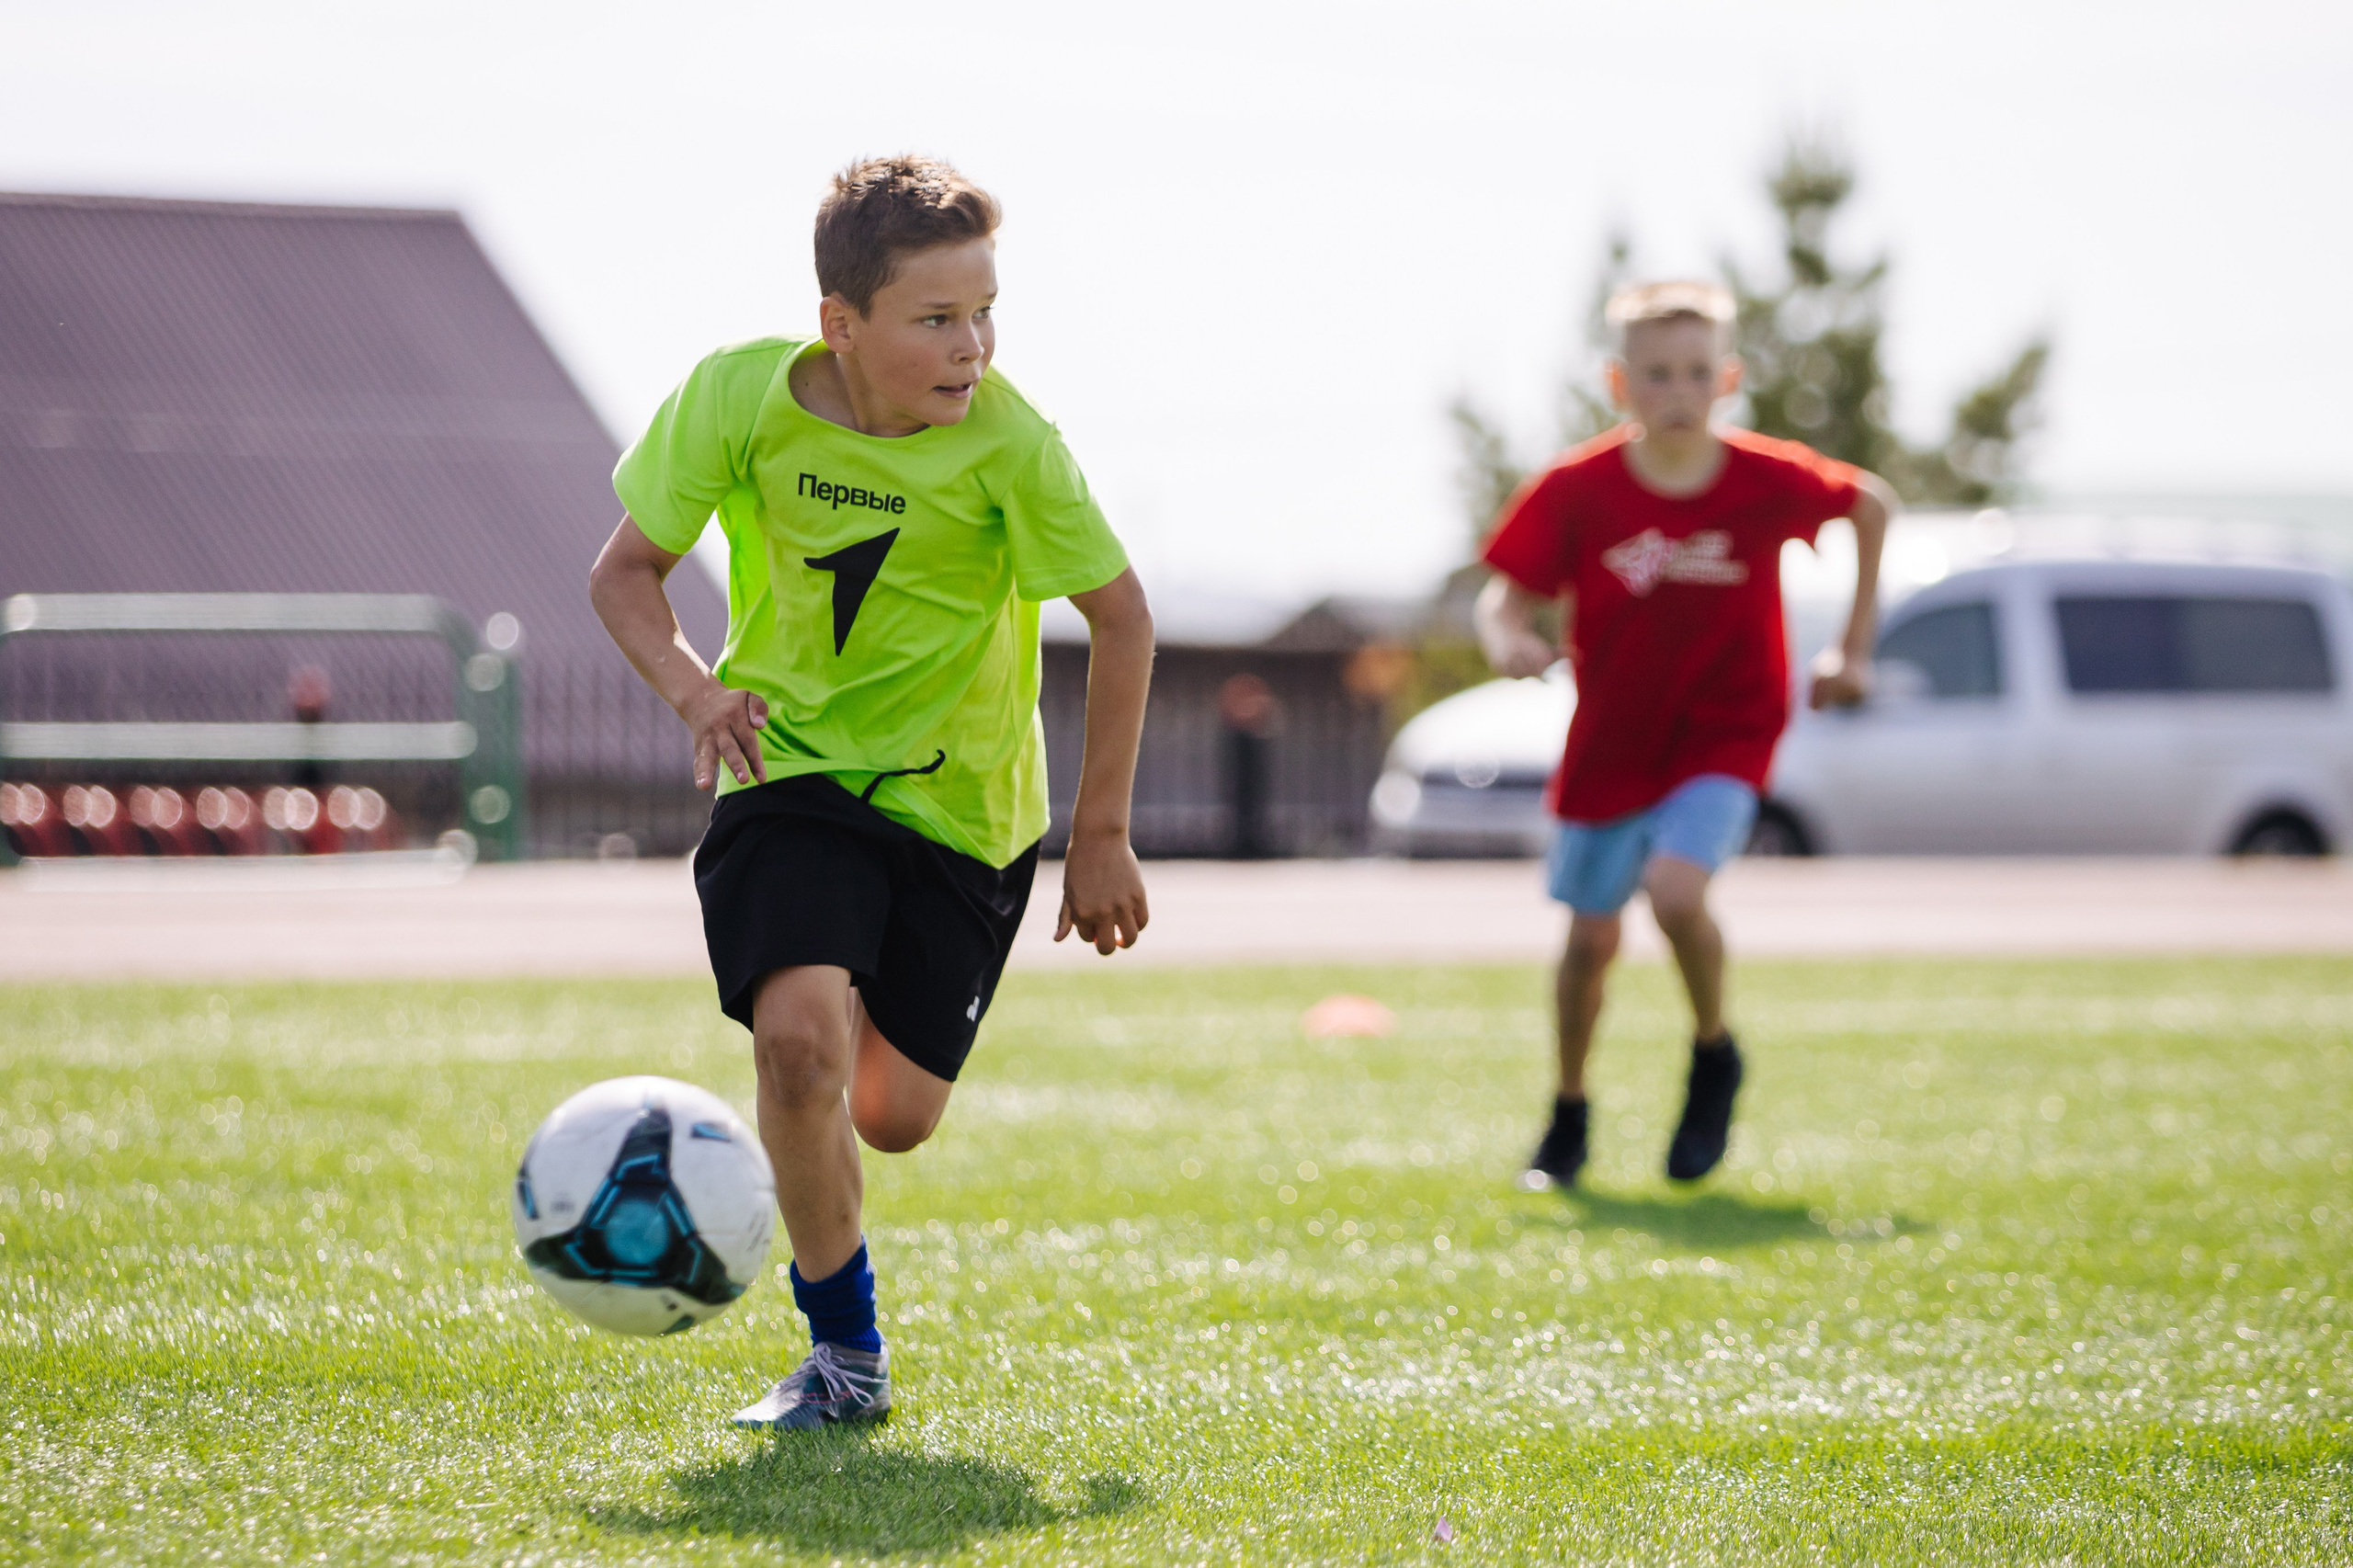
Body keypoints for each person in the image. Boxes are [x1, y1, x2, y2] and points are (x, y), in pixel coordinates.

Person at [589, 155, 1154, 1429]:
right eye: (936, 318)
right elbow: (625, 572)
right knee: (798, 1045)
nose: (973, 347)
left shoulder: (1015, 444)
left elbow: (1121, 618)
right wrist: (696, 693)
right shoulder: (737, 395)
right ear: (840, 323)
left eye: (985, 313)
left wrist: (1102, 832)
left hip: (964, 812)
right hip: (789, 771)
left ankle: (822, 1080)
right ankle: (845, 1355)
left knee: (892, 1115)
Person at [1473, 279, 1892, 1188]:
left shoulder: (1763, 478)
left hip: (1725, 733)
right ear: (1619, 382)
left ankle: (1713, 1052)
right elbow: (1503, 596)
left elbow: (1872, 505)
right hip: (1613, 739)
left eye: (1697, 371)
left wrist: (1852, 651)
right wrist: (1507, 638)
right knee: (1588, 943)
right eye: (1657, 373)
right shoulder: (1576, 488)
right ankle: (1568, 1110)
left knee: (1673, 891)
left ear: (1727, 378)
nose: (1678, 390)